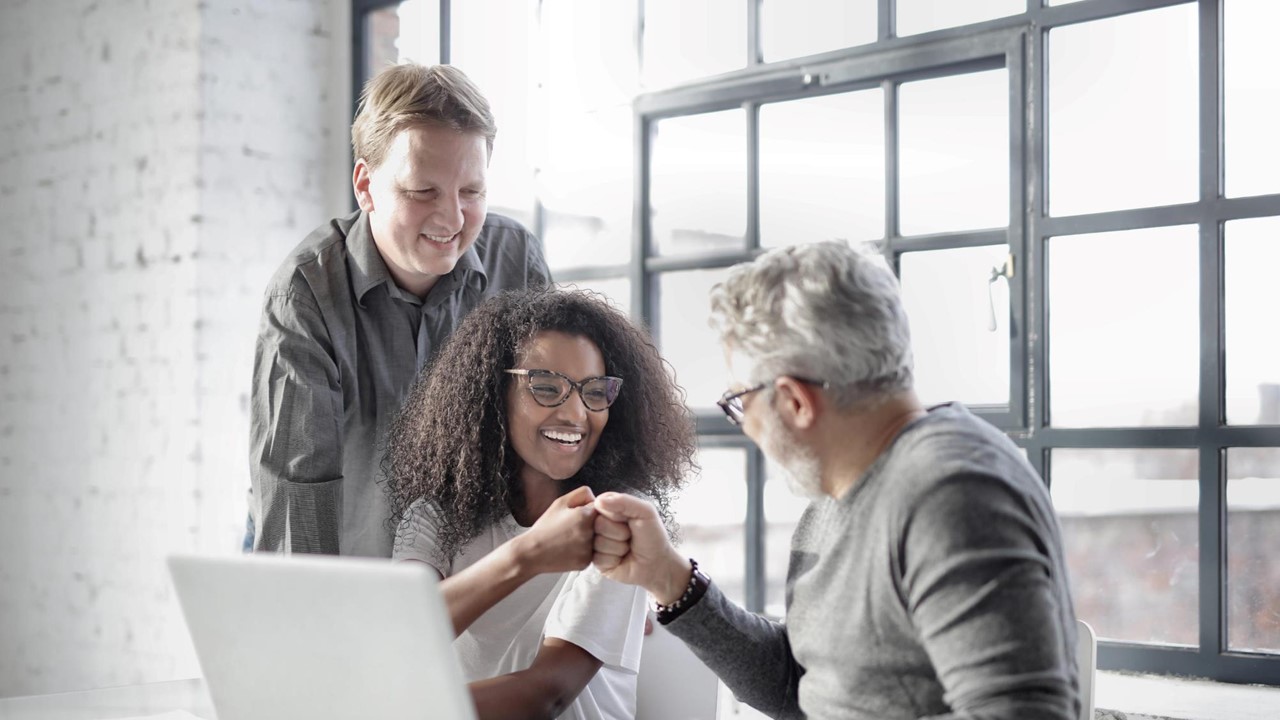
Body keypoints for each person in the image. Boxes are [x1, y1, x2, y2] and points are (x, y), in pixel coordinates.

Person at [591, 241, 1080, 719]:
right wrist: (668, 577)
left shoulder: (952, 495)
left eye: (739, 402)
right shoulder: (841, 491)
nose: (747, 427)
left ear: (795, 402)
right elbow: (800, 684)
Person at [248, 63, 550, 555]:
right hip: (354, 572)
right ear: (365, 186)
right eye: (422, 191)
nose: (452, 218)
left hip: (479, 581)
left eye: (471, 192)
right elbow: (296, 496)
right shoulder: (305, 295)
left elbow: (560, 427)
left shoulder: (515, 263)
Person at [386, 288, 697, 720]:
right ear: (493, 394)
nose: (575, 414)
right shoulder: (435, 516)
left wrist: (385, 707)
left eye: (594, 391)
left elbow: (547, 694)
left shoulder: (620, 519)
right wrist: (527, 555)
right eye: (546, 387)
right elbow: (403, 637)